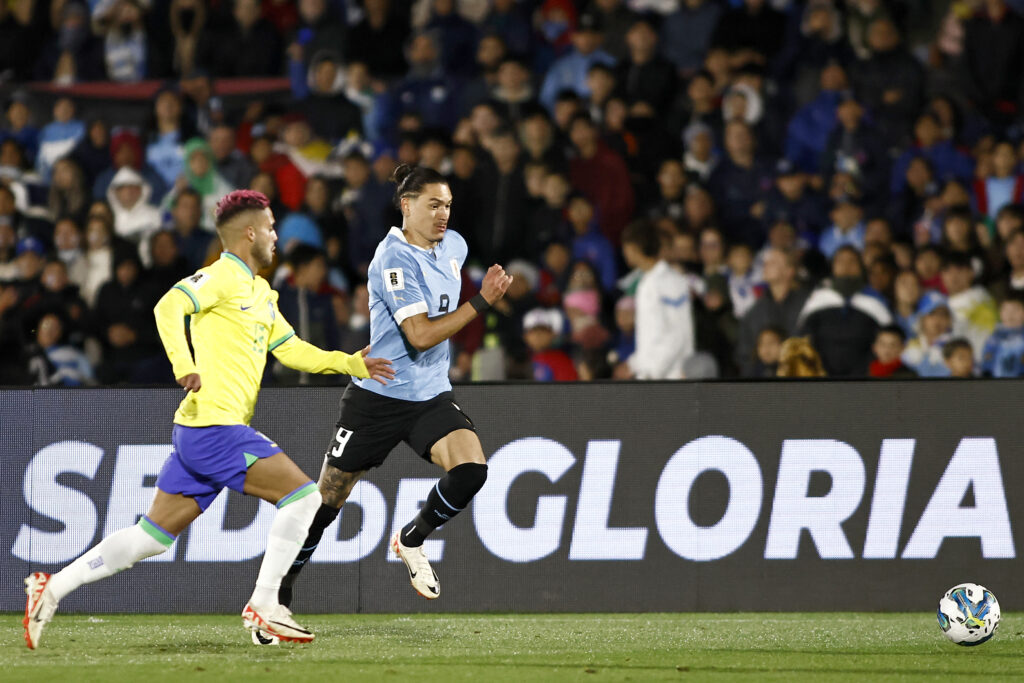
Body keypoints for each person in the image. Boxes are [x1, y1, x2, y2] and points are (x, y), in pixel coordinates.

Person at [22, 189, 394, 649]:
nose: (278, 236)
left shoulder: (260, 293)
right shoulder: (221, 275)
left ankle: (51, 587)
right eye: (273, 227)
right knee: (302, 498)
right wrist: (183, 364)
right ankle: (265, 605)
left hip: (201, 430)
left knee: (150, 538)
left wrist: (352, 363)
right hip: (214, 426)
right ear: (250, 233)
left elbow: (294, 350)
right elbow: (167, 307)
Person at [270, 164, 512, 620]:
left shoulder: (454, 246)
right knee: (325, 505)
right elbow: (419, 335)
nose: (443, 215)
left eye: (448, 206)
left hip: (429, 394)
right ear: (406, 205)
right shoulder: (392, 259)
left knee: (471, 471)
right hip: (378, 395)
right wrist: (481, 302)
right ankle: (277, 595)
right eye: (433, 205)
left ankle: (412, 539)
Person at [620, 219, 694, 379]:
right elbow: (651, 337)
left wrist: (651, 372)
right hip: (653, 378)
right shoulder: (646, 282)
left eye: (625, 246)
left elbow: (678, 334)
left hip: (672, 377)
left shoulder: (671, 282)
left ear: (634, 248)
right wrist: (634, 364)